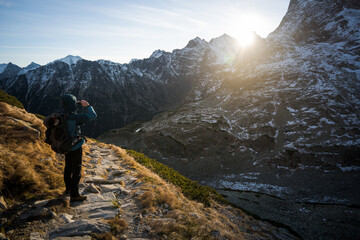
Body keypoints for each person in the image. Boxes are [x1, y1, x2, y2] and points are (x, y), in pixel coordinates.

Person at [61, 94, 97, 202]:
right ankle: (75, 194)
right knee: (76, 170)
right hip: (75, 146)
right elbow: (93, 116)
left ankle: (68, 190)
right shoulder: (74, 117)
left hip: (66, 145)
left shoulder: (62, 116)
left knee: (68, 168)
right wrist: (87, 105)